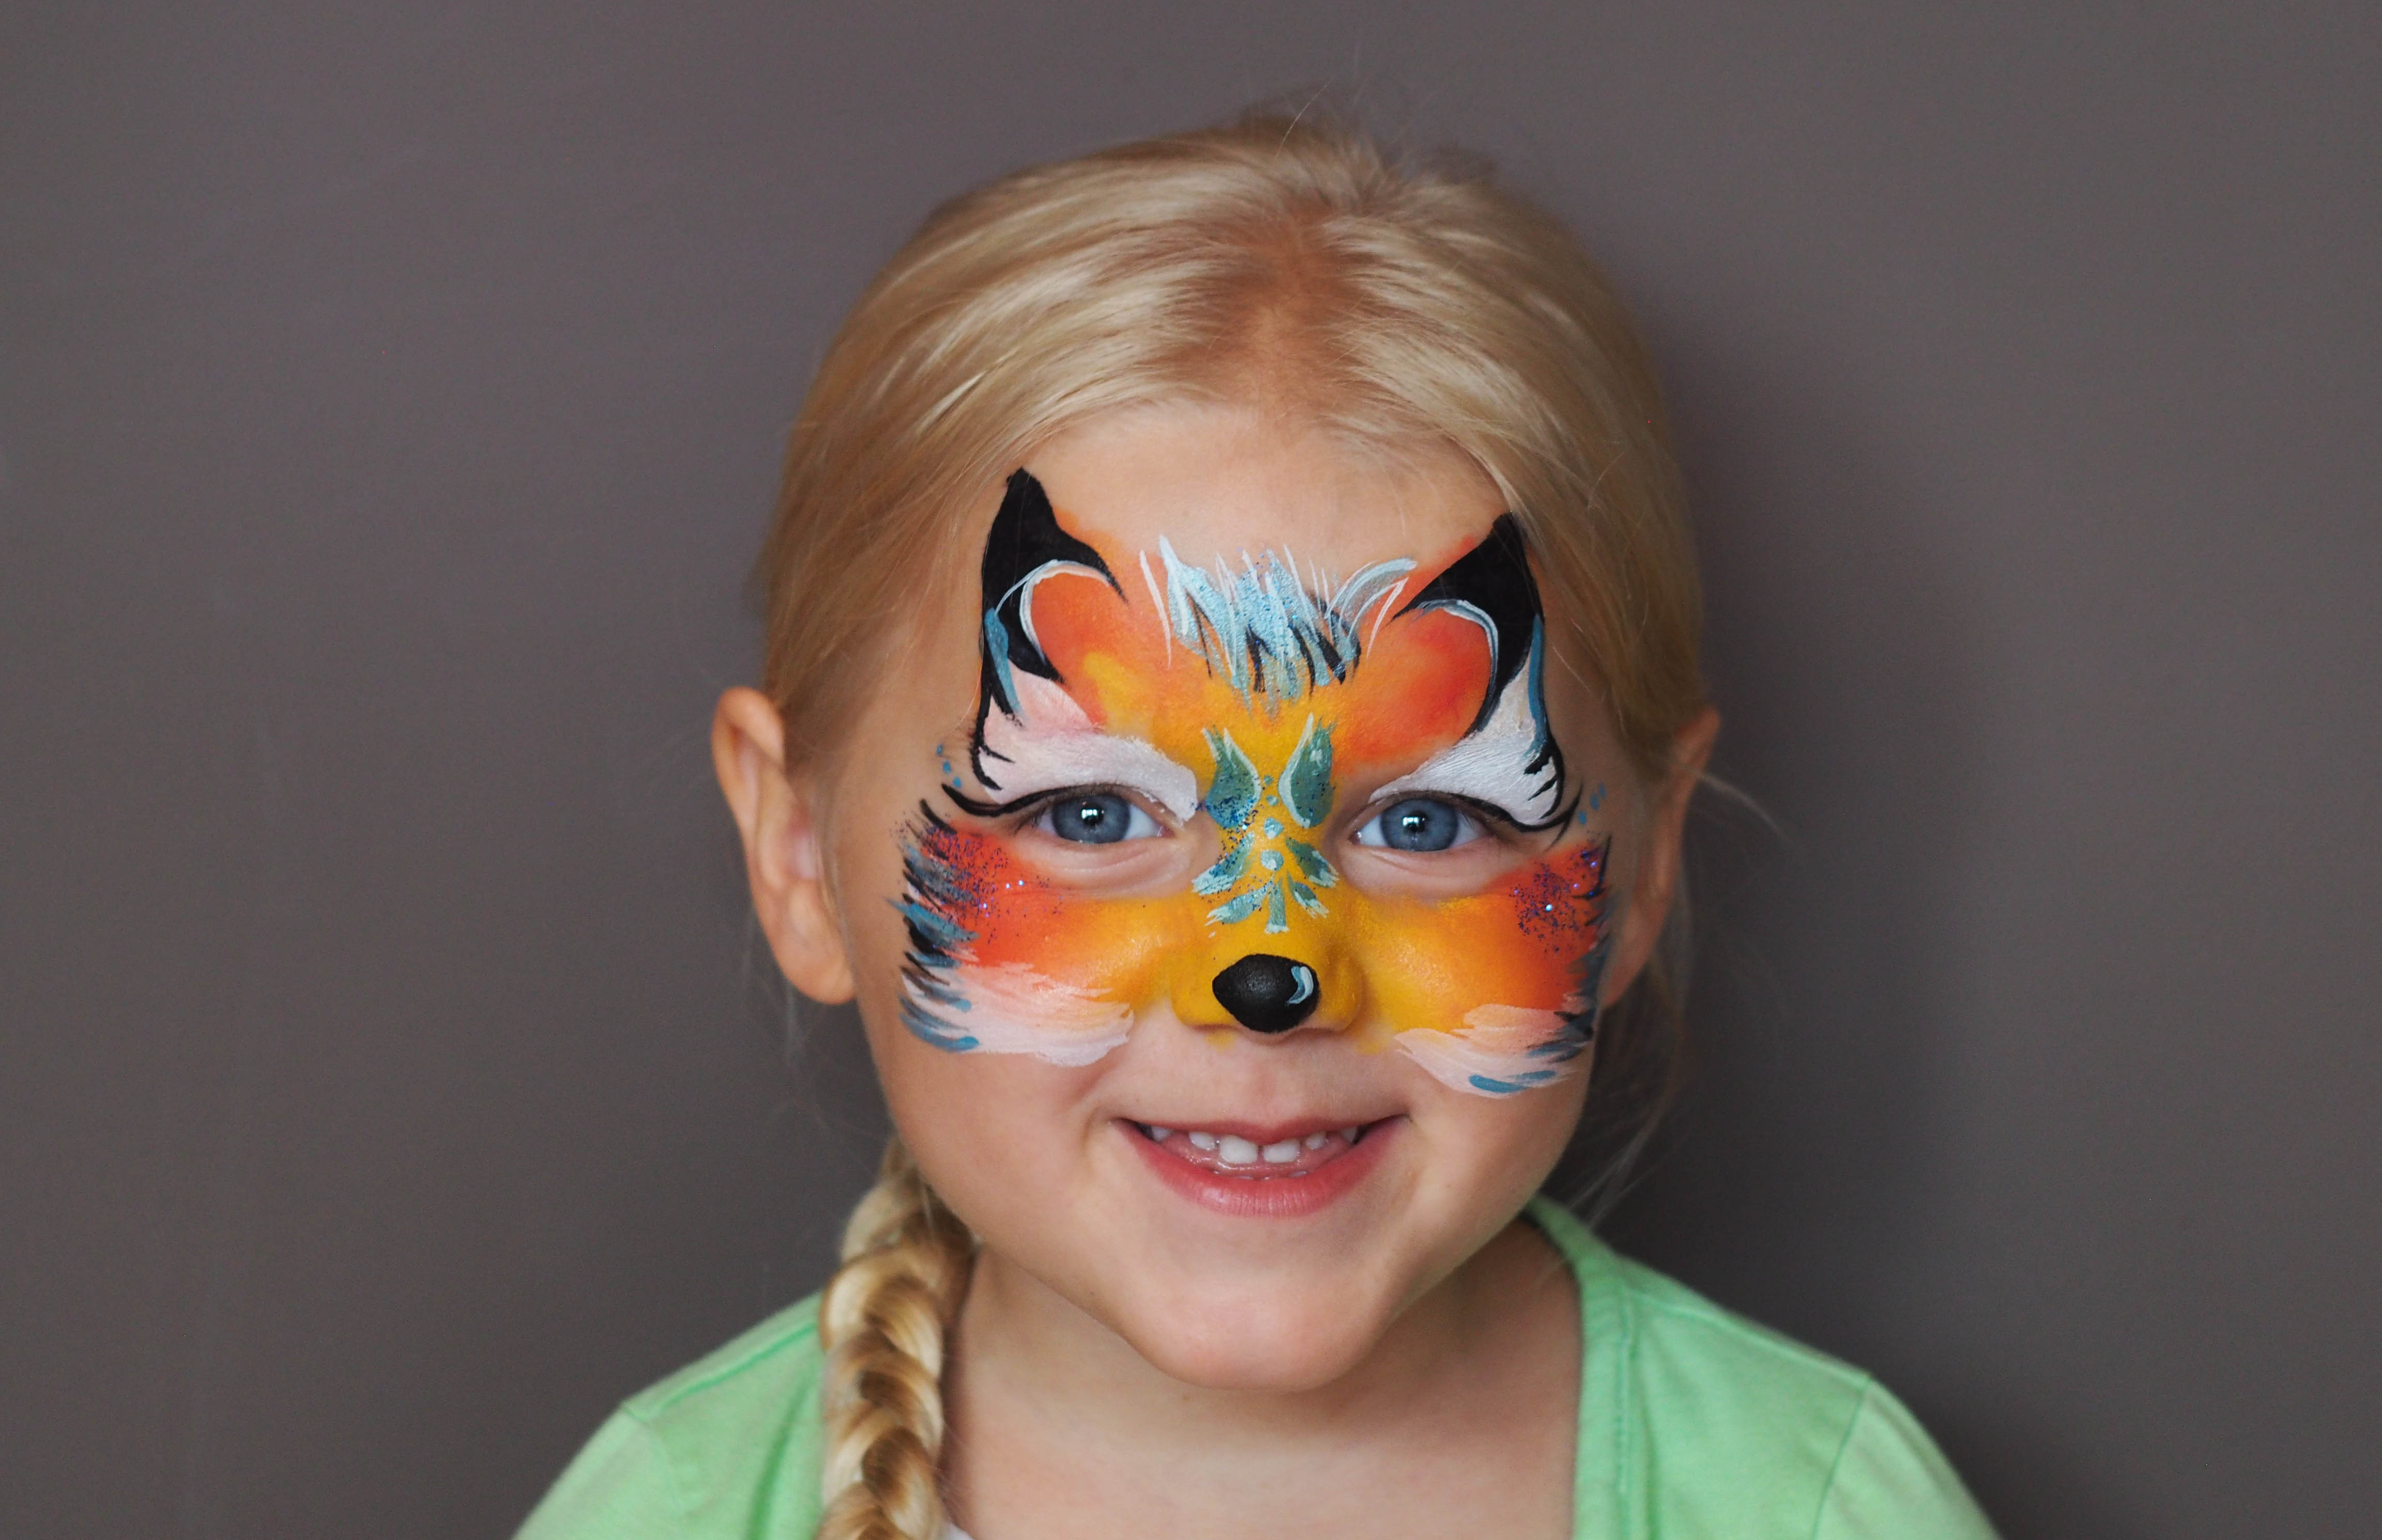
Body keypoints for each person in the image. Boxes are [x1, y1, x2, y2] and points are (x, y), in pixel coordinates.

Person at [517, 118, 1998, 1539]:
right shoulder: (669, 1515)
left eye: (1428, 821)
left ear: (1645, 870)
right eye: (1090, 812)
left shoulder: (1815, 1511)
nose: (1269, 974)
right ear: (797, 855)